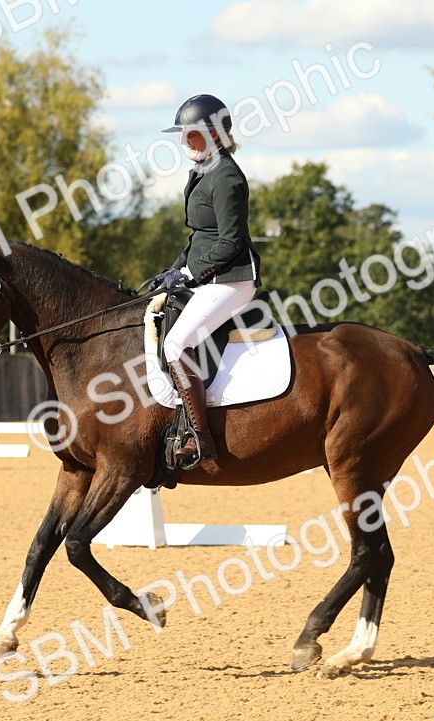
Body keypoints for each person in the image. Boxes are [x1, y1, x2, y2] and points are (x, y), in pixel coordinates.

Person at [148, 94, 261, 463]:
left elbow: (229, 241)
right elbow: (199, 236)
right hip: (209, 275)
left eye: (191, 135)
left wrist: (188, 274)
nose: (184, 142)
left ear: (214, 134)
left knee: (177, 345)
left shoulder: (226, 176)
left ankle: (200, 437)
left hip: (232, 279)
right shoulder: (203, 170)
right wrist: (173, 268)